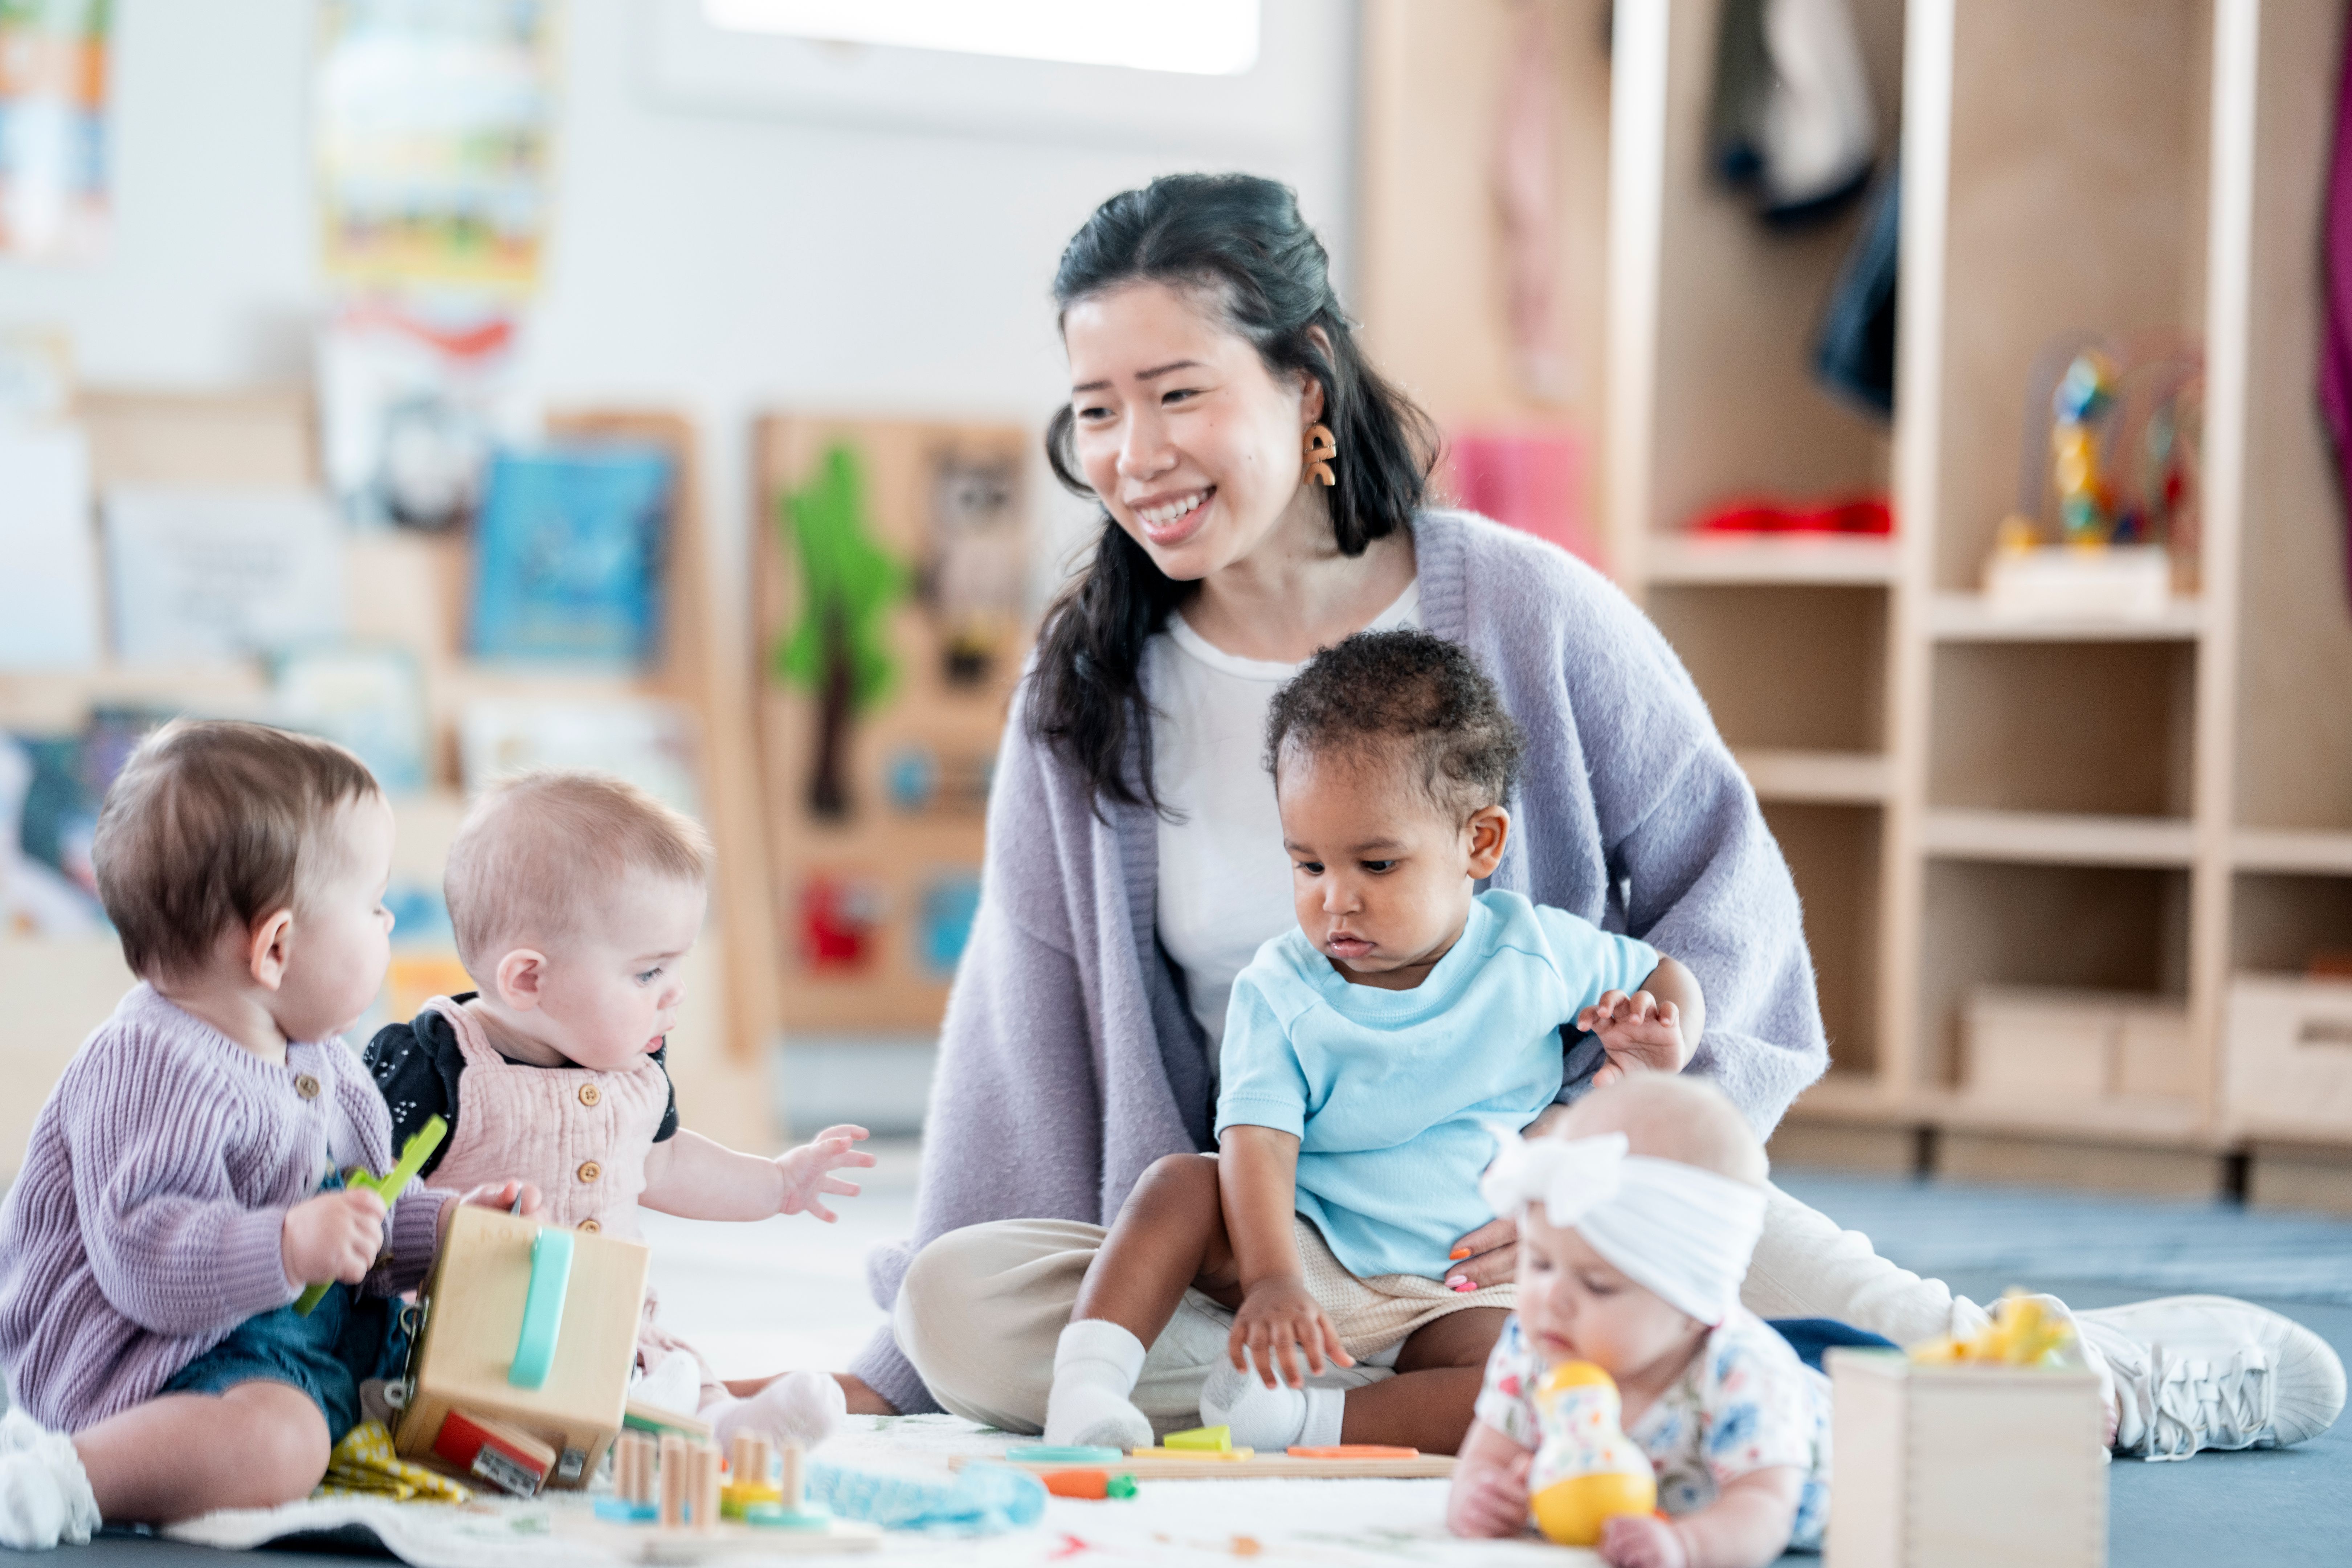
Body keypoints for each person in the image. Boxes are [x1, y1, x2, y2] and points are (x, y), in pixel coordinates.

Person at [848, 172, 2343, 1464]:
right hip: (1276, 1259)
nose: (1133, 456)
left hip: (1548, 1220)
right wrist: (897, 1379)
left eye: (1179, 395)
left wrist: (1591, 1139)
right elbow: (1023, 1020)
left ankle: (2045, 1377)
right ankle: (1602, 1389)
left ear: (1307, 386)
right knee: (966, 1307)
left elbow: (1727, 893)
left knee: (1696, 1251)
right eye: (1096, 412)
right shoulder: (1091, 675)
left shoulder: (1523, 606)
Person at [1042, 629, 1700, 1455]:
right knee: (1179, 1185)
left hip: (1461, 1283)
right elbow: (1257, 1144)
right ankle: (1088, 1389)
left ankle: (1302, 1423)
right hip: (1309, 1249)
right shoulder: (1281, 988)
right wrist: (1274, 1278)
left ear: (1481, 844)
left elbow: (1672, 981)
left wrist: (1656, 1057)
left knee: (1543, 1388)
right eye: (1309, 866)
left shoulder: (1535, 951)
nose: (1336, 902)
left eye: (1378, 866)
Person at [0, 721, 542, 1549]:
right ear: (278, 947)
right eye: (372, 905)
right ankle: (72, 1477)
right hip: (147, 1368)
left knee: (458, 1402)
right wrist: (287, 1244)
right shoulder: (152, 1063)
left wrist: (450, 1229)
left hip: (282, 1347)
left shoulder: (327, 1063)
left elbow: (361, 1217)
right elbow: (143, 1259)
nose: (390, 918)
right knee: (285, 1445)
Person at [362, 770, 872, 1450]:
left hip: (611, 1328)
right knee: (448, 1404)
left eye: (675, 969)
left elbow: (663, 1162)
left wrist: (777, 1184)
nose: (675, 994)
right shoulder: (437, 1065)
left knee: (674, 1376)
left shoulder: (636, 1072)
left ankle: (725, 1429)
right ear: (528, 979)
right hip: (465, 1333)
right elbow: (369, 1196)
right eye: (647, 973)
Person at [1451, 1077, 1830, 1567]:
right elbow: (1484, 1458)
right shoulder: (1535, 1346)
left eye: (1598, 1285)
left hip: (1862, 1457)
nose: (1553, 1299)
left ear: (1692, 1308)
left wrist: (1686, 1544)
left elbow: (1765, 1510)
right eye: (1540, 1264)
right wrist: (1479, 1497)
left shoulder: (1742, 1370)